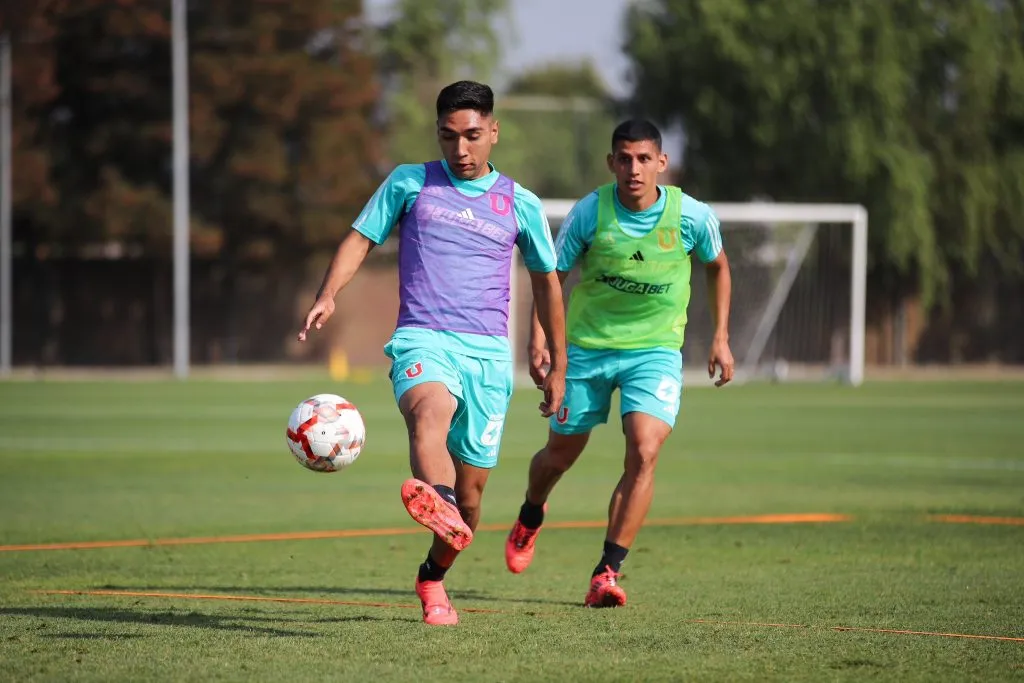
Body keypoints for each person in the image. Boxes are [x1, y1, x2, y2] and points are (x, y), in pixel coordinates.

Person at [298, 81, 567, 625]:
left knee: (471, 505)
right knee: (430, 413)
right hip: (423, 337)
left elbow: (547, 284)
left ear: (494, 131)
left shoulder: (519, 203)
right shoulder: (409, 182)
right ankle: (436, 496)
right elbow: (359, 239)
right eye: (449, 137)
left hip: (490, 356)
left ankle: (432, 575)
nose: (460, 150)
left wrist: (557, 362)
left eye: (471, 136)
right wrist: (329, 292)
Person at [503, 119, 734, 607]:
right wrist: (539, 341)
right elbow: (552, 277)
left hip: (655, 351)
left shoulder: (691, 216)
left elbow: (717, 266)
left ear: (662, 163)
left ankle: (606, 572)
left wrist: (719, 337)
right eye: (624, 159)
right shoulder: (589, 213)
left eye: (644, 159)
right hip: (587, 349)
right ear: (611, 163)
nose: (634, 169)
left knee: (645, 449)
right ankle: (531, 513)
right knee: (559, 456)